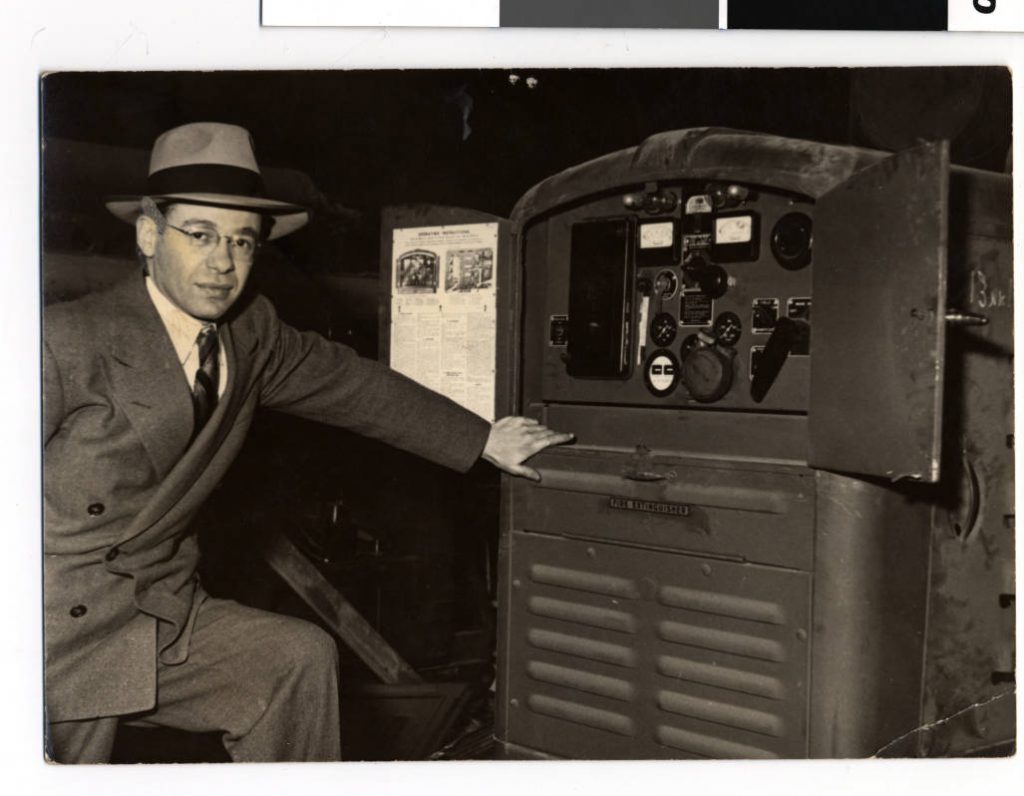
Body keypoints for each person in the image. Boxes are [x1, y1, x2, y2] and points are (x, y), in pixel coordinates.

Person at [42, 122, 572, 764]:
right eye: (201, 235)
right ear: (150, 234)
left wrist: (485, 439)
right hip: (53, 629)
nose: (223, 262)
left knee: (292, 659)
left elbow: (352, 385)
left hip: (161, 614)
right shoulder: (65, 341)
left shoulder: (249, 334)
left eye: (242, 241)